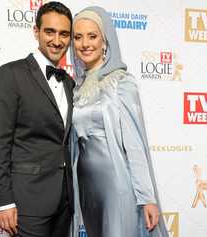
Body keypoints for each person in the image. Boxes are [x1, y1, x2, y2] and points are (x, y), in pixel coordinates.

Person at [69, 6, 169, 237]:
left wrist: (147, 198)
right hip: (87, 187)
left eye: (92, 36)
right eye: (78, 37)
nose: (85, 44)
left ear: (105, 41)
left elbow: (135, 144)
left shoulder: (121, 83)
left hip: (116, 182)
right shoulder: (76, 88)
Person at [0, 2, 75, 237]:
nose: (57, 40)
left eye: (64, 34)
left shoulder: (68, 82)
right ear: (36, 31)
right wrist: (3, 201)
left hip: (65, 201)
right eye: (50, 31)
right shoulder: (10, 75)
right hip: (27, 201)